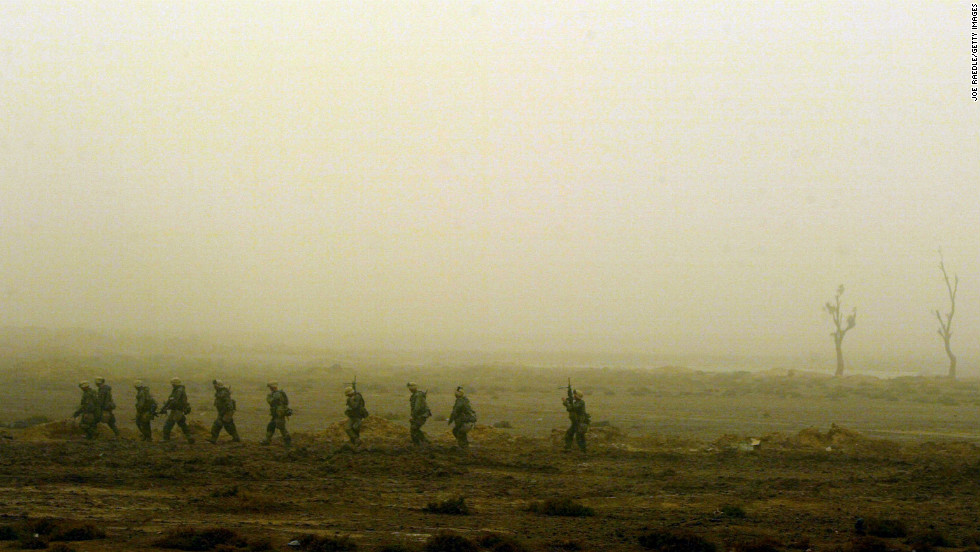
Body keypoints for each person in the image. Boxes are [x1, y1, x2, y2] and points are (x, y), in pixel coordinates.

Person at [160, 377, 195, 443]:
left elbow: (174, 401)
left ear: (175, 384)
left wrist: (166, 408)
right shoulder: (177, 390)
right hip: (178, 410)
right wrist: (163, 408)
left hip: (177, 410)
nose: (172, 385)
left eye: (172, 384)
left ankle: (166, 438)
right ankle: (190, 437)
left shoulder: (179, 391)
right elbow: (169, 400)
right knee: (182, 424)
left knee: (168, 424)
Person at [208, 379, 240, 443]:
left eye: (215, 385)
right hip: (223, 411)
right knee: (225, 425)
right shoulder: (220, 392)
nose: (214, 386)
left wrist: (228, 412)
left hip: (226, 411)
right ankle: (235, 438)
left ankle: (214, 439)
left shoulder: (223, 393)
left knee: (222, 425)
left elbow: (228, 403)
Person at [262, 381, 291, 447]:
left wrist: (270, 397)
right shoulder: (275, 394)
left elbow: (284, 402)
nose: (271, 388)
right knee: (271, 426)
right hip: (276, 414)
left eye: (271, 387)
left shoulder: (279, 394)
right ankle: (267, 440)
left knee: (281, 428)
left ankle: (288, 442)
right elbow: (272, 402)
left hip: (279, 414)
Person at [447, 386, 477, 450]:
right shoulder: (465, 400)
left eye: (458, 392)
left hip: (467, 422)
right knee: (457, 431)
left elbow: (455, 411)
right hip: (469, 421)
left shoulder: (460, 401)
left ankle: (463, 447)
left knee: (459, 432)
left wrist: (450, 420)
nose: (456, 394)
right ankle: (464, 445)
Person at [562, 389, 590, 453]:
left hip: (580, 423)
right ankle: (568, 448)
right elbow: (570, 408)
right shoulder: (576, 403)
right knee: (569, 434)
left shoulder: (581, 403)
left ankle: (583, 451)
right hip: (575, 423)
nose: (573, 395)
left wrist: (566, 402)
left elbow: (572, 408)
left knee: (579, 437)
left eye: (575, 394)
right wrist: (568, 402)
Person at [407, 382, 431, 446]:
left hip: (422, 414)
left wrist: (412, 416)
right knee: (415, 429)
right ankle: (424, 441)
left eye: (411, 387)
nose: (410, 389)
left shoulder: (418, 395)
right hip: (420, 414)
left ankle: (419, 443)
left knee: (414, 428)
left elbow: (417, 408)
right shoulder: (415, 395)